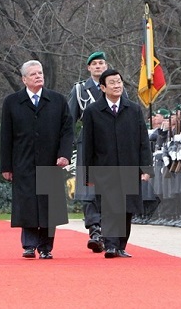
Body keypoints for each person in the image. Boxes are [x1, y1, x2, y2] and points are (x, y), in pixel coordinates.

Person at [0, 59, 74, 259]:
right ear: (24, 79)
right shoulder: (12, 102)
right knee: (27, 204)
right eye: (33, 74)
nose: (38, 76)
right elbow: (6, 135)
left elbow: (67, 131)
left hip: (51, 160)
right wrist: (6, 166)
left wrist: (64, 154)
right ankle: (29, 245)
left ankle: (46, 247)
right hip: (23, 161)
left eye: (40, 73)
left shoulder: (57, 100)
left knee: (49, 205)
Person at [83, 68, 153, 258]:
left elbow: (143, 141)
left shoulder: (133, 109)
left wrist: (146, 168)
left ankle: (121, 245)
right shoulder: (93, 111)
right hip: (104, 168)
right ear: (103, 87)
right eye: (112, 83)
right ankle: (111, 245)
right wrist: (88, 174)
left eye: (119, 82)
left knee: (126, 208)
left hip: (129, 166)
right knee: (109, 207)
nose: (117, 86)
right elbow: (87, 145)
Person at [67, 51, 106, 253]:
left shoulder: (116, 86)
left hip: (111, 144)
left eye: (101, 63)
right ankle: (94, 229)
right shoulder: (80, 89)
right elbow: (70, 119)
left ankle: (108, 230)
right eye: (95, 64)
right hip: (88, 141)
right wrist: (65, 146)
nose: (98, 66)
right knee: (89, 188)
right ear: (89, 68)